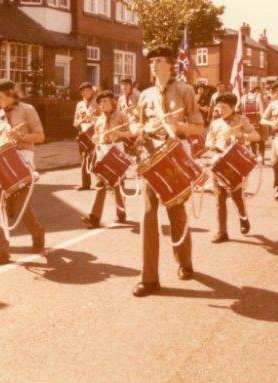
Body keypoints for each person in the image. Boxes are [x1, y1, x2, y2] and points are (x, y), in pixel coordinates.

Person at [132, 46, 204, 297]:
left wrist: (178, 124)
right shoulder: (145, 95)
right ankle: (149, 277)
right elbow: (138, 123)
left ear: (171, 64)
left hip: (175, 154)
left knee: (176, 211)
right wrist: (137, 130)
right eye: (151, 60)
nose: (153, 64)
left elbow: (198, 128)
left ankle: (184, 262)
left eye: (159, 60)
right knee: (149, 213)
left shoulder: (185, 90)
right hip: (151, 156)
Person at [0, 79, 46, 267]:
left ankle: (37, 232)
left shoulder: (27, 110)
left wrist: (21, 137)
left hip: (23, 158)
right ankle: (1, 251)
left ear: (10, 93)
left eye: (0, 96)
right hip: (4, 159)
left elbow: (40, 136)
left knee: (19, 203)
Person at [207, 93, 260, 243]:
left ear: (232, 107)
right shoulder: (215, 123)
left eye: (223, 107)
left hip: (235, 162)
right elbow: (208, 140)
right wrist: (210, 145)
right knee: (219, 198)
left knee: (236, 195)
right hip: (219, 162)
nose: (220, 109)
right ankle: (222, 231)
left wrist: (242, 135)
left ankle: (243, 217)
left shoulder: (242, 120)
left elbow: (257, 136)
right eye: (218, 106)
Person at [81, 90, 132, 228]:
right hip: (102, 151)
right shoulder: (99, 120)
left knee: (117, 184)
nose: (102, 104)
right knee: (101, 184)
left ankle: (121, 213)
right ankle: (95, 217)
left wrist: (119, 133)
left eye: (105, 101)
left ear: (112, 102)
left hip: (116, 150)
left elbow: (131, 132)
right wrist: (95, 139)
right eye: (100, 102)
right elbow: (96, 137)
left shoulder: (121, 116)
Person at [73, 82, 98, 191]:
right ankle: (85, 184)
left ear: (92, 91)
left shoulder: (98, 102)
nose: (85, 93)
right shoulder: (79, 105)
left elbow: (104, 118)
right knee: (84, 158)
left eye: (87, 90)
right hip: (83, 133)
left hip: (95, 133)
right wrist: (82, 120)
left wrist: (92, 118)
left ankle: (100, 182)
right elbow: (75, 122)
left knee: (96, 158)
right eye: (82, 91)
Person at [239, 86, 267, 161]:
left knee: (254, 140)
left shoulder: (244, 98)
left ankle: (256, 157)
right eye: (258, 91)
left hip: (250, 123)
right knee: (260, 140)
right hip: (259, 122)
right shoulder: (261, 97)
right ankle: (260, 158)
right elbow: (262, 111)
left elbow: (237, 109)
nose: (259, 92)